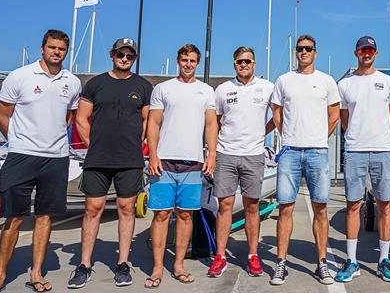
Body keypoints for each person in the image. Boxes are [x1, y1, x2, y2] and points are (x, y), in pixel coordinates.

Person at [0, 29, 82, 293]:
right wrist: (17, 142)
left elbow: (69, 118)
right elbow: (2, 115)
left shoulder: (72, 82)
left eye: (61, 49)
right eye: (51, 47)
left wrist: (54, 140)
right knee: (13, 218)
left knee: (45, 216)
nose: (56, 52)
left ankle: (36, 273)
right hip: (22, 156)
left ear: (66, 51)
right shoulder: (20, 76)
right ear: (42, 48)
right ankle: (0, 275)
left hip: (56, 158)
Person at [67, 37, 153, 288]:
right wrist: (94, 145)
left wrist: (139, 143)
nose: (125, 59)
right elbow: (81, 119)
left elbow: (148, 122)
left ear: (134, 58)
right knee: (92, 209)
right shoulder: (95, 84)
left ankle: (123, 263)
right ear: (112, 54)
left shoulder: (143, 86)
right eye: (121, 54)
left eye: (130, 56)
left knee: (126, 209)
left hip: (130, 158)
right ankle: (84, 265)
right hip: (98, 158)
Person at [144, 44, 218, 289]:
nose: (188, 64)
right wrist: (153, 156)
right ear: (178, 61)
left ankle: (178, 265)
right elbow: (153, 124)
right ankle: (156, 268)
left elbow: (210, 126)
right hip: (164, 161)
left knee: (186, 215)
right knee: (162, 214)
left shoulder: (207, 91)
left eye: (192, 60)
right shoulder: (163, 89)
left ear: (198, 63)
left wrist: (211, 155)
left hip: (193, 162)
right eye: (184, 59)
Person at [269, 35, 341, 286]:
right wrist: (285, 134)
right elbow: (276, 111)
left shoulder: (326, 81)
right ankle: (280, 263)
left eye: (308, 49)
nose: (304, 52)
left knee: (320, 208)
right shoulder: (284, 80)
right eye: (300, 49)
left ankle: (322, 263)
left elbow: (334, 114)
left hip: (317, 151)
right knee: (285, 207)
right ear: (295, 52)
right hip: (290, 152)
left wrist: (322, 136)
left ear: (315, 52)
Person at [334, 36, 390, 283]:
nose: (366, 53)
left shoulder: (387, 81)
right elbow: (344, 117)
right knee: (353, 204)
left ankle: (384, 260)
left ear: (376, 52)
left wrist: (383, 137)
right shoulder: (345, 84)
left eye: (370, 49)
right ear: (356, 52)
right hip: (355, 150)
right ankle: (351, 261)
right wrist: (357, 137)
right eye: (363, 49)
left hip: (382, 150)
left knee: (385, 204)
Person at [207, 46, 274, 278]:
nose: (244, 65)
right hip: (226, 153)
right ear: (234, 64)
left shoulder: (267, 88)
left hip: (254, 154)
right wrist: (212, 152)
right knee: (224, 206)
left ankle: (253, 255)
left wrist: (262, 133)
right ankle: (220, 256)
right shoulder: (223, 90)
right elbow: (214, 123)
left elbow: (278, 116)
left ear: (254, 64)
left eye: (248, 61)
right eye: (239, 62)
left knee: (252, 207)